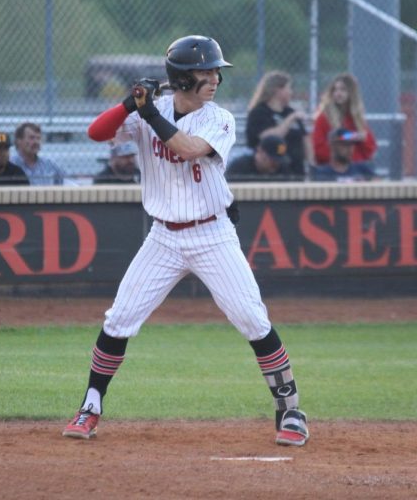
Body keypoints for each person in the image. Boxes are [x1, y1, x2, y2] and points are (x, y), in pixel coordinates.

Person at [64, 35, 309, 447]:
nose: (214, 77)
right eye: (205, 71)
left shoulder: (220, 118)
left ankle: (291, 410)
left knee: (252, 318)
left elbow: (191, 148)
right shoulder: (148, 111)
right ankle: (90, 406)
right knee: (120, 318)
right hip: (163, 237)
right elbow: (95, 133)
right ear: (181, 77)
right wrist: (131, 102)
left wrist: (149, 114)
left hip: (212, 233)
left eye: (216, 71)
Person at [245, 71, 310, 177]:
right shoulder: (259, 112)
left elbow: (305, 139)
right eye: (288, 88)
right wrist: (290, 119)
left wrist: (310, 163)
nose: (291, 92)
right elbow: (269, 137)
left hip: (296, 170)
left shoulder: (290, 112)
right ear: (277, 90)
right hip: (270, 171)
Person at [312, 73, 377, 166]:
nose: (338, 93)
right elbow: (318, 148)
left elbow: (370, 147)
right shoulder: (324, 117)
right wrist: (352, 136)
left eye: (343, 89)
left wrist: (356, 138)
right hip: (332, 168)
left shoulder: (356, 117)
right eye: (335, 90)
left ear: (351, 93)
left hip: (356, 166)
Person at [310, 129, 378, 182]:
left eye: (351, 144)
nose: (350, 149)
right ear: (332, 145)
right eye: (345, 144)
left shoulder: (362, 169)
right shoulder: (321, 173)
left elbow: (380, 186)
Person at [226, 134, 297, 182]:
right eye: (273, 160)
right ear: (260, 152)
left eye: (278, 160)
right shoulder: (240, 166)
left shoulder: (283, 168)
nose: (276, 164)